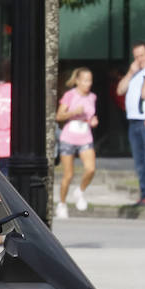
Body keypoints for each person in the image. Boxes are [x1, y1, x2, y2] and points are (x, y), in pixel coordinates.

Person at [55, 67, 100, 219]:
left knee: (91, 169)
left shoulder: (92, 97)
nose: (88, 83)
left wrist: (93, 120)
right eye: (85, 80)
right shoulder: (70, 95)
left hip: (85, 136)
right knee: (68, 175)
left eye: (90, 80)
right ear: (77, 81)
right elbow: (59, 116)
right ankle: (61, 204)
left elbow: (91, 116)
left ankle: (79, 192)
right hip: (69, 136)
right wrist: (74, 112)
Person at [117, 41, 145, 206]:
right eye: (136, 56)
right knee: (139, 161)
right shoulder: (135, 73)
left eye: (142, 55)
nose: (139, 59)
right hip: (133, 120)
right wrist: (130, 72)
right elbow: (120, 90)